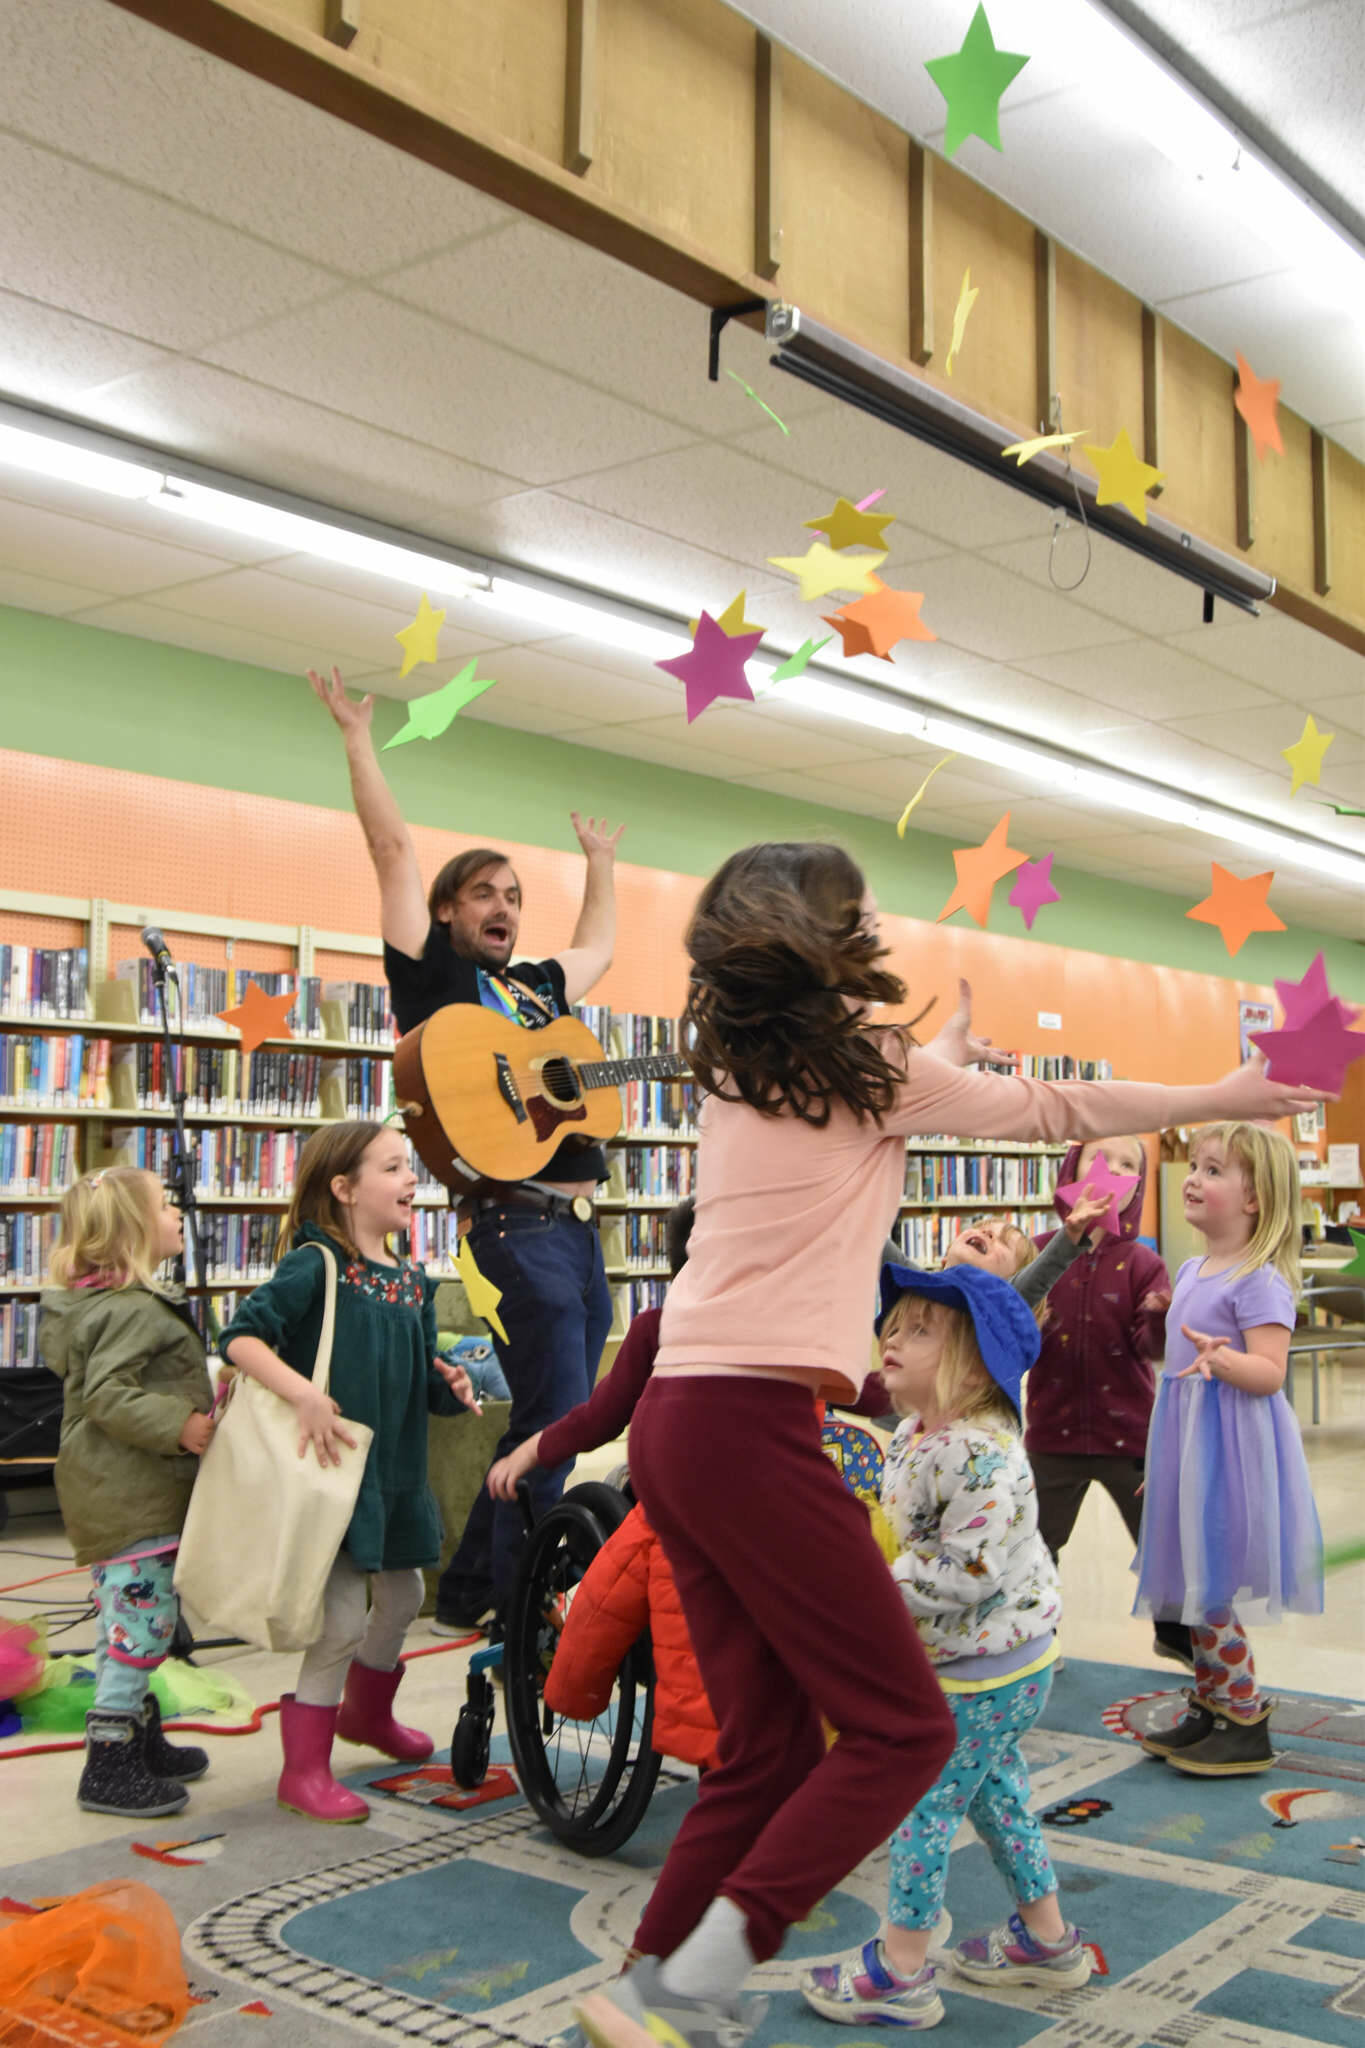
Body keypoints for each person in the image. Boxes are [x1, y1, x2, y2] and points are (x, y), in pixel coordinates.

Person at [571, 840, 1328, 2048]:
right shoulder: (869, 1065)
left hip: (673, 1419)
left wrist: (952, 1060)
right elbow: (1062, 1112)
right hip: (757, 1427)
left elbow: (882, 1112)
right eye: (862, 911)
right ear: (829, 936)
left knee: (764, 1751)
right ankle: (689, 1979)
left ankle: (642, 1985)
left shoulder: (736, 1070)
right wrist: (1220, 1095)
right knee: (905, 1726)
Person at [310, 666, 623, 1642]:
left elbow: (600, 949)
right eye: (484, 892)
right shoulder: (433, 975)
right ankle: (517, 1588)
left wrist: (599, 861)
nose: (505, 906)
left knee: (568, 1413)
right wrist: (360, 738)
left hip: (578, 1230)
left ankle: (478, 1583)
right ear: (447, 911)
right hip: (513, 1226)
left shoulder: (536, 986)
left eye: (515, 895)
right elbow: (392, 847)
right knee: (560, 1414)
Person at [804, 1263, 1089, 2029]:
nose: (893, 1337)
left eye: (921, 1330)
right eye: (892, 1324)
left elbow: (964, 1570)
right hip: (985, 1660)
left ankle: (899, 1970)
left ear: (973, 1362)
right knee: (996, 1799)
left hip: (982, 1670)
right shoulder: (918, 1434)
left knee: (922, 1809)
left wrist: (863, 1585)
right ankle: (1047, 1939)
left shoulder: (980, 1454)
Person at [219, 1122, 479, 1823]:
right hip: (336, 1478)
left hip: (395, 1476)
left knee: (400, 1600)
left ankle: (366, 1716)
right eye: (393, 1167)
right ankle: (301, 1771)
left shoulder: (409, 1282)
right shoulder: (315, 1263)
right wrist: (303, 1393)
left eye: (409, 1167)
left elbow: (414, 1375)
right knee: (339, 1620)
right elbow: (240, 1336)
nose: (410, 1181)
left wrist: (445, 1383)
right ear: (344, 1188)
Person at [490, 1199, 721, 1779]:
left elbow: (601, 1417)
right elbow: (598, 1419)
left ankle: (571, 1622)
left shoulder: (662, 1325)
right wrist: (532, 1448)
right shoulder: (746, 1329)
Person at [1132, 1122, 1323, 1776]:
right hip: (1188, 1446)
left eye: (1213, 1170)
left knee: (1211, 1589)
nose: (1192, 1177)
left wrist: (1225, 1361)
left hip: (1228, 1452)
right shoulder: (1191, 1267)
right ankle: (1213, 1706)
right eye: (1195, 1165)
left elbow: (1269, 1372)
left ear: (1254, 1200)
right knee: (1192, 1586)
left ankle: (1243, 1717)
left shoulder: (1258, 1280)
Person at [39, 1169, 215, 1819]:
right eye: (166, 1206)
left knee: (140, 1621)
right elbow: (108, 1397)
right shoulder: (129, 1311)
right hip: (129, 1495)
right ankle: (108, 1762)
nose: (177, 1214)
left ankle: (141, 1739)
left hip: (129, 1491)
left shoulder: (120, 1304)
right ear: (134, 1230)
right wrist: (183, 1426)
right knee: (139, 1628)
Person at [1022, 1136, 1189, 1669]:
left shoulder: (1143, 1262)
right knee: (1032, 1547)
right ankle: (1032, 1636)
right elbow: (1014, 1330)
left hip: (1132, 1436)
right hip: (1052, 1433)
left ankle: (1179, 1634)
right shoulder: (1041, 1250)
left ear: (1138, 1187)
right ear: (1071, 1170)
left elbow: (1152, 1350)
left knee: (1162, 1540)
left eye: (1128, 1165)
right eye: (1099, 1157)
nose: (1112, 1170)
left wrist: (1161, 1318)